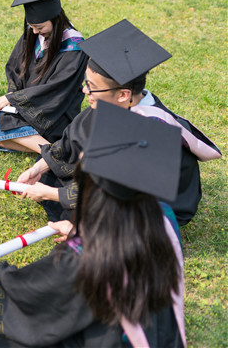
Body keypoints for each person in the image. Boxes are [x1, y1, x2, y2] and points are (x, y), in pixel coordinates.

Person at [0, 101, 187, 347]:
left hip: (110, 338)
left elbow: (33, 290)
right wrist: (74, 229)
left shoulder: (86, 255)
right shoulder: (161, 215)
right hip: (153, 328)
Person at [17, 19, 221, 224]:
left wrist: (51, 194)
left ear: (123, 94)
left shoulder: (150, 131)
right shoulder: (110, 104)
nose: (84, 90)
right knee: (49, 173)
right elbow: (70, 141)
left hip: (152, 206)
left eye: (91, 86)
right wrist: (38, 169)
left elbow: (112, 192)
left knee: (93, 219)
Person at [0, 0, 87, 153]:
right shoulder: (33, 35)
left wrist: (11, 100)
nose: (35, 31)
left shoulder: (73, 47)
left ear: (56, 20)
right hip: (25, 107)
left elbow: (57, 89)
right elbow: (15, 69)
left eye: (39, 27)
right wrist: (12, 95)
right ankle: (49, 150)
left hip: (54, 113)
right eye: (31, 26)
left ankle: (55, 152)